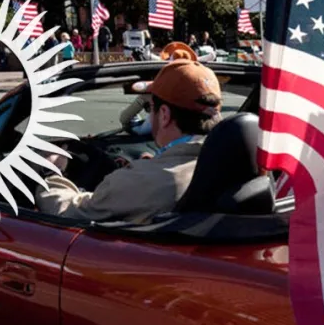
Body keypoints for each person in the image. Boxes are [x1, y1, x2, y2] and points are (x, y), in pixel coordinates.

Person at [36, 60, 224, 222]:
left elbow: (68, 211)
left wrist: (51, 172)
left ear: (164, 114)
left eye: (151, 108)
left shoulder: (145, 181)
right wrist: (157, 162)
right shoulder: (233, 163)